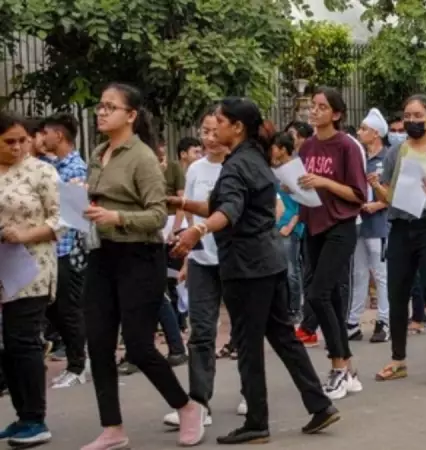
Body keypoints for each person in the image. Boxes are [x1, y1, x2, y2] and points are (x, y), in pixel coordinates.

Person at [170, 97, 339, 444]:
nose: (212, 128)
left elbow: (228, 211)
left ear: (237, 127)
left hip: (247, 267)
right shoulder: (255, 158)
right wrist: (183, 204)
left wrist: (197, 230)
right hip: (268, 261)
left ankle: (257, 422)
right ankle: (320, 405)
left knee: (248, 344)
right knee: (283, 337)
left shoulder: (237, 165)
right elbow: (224, 206)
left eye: (219, 121)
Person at [80, 83, 206, 449]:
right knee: (99, 343)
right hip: (101, 254)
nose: (102, 112)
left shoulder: (143, 158)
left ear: (131, 115)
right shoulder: (99, 152)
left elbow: (157, 215)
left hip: (140, 256)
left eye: (111, 107)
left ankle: (186, 407)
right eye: (100, 106)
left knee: (138, 346)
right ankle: (112, 428)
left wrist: (117, 216)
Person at [371, 94, 426, 386]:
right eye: (407, 116)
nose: (412, 121)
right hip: (400, 228)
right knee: (397, 295)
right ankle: (398, 360)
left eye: (418, 116)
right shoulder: (396, 153)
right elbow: (389, 196)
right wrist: (377, 187)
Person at [162, 108, 239, 429]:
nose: (209, 138)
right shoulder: (195, 169)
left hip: (237, 262)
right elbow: (192, 214)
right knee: (202, 333)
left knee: (245, 331)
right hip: (203, 263)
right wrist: (188, 258)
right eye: (204, 132)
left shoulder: (239, 166)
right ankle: (199, 402)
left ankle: (251, 393)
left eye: (215, 131)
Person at [296, 87, 368, 400]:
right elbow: (303, 183)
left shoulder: (347, 146)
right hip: (313, 225)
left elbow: (358, 194)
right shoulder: (308, 146)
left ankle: (338, 366)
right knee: (332, 296)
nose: (314, 111)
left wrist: (324, 181)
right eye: (313, 106)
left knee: (318, 293)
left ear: (336, 114)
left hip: (341, 225)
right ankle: (348, 368)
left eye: (322, 107)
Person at [0, 111, 61, 447]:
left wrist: (24, 234)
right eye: (9, 141)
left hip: (32, 267)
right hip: (2, 267)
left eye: (22, 140)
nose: (17, 147)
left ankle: (36, 419)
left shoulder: (42, 171)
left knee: (24, 340)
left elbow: (62, 219)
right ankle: (23, 415)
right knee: (8, 344)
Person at [37, 112, 90, 389]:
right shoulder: (50, 165)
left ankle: (78, 365)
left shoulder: (75, 169)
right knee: (54, 310)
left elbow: (73, 217)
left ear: (59, 135)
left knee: (68, 310)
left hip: (68, 250)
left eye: (45, 133)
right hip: (52, 250)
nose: (41, 138)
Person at [349, 108, 391, 343]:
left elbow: (395, 191)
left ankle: (384, 320)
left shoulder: (388, 158)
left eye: (364, 129)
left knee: (381, 273)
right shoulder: (360, 157)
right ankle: (353, 321)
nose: (359, 132)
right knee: (359, 272)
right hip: (359, 222)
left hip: (379, 224)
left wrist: (379, 204)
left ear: (376, 133)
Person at [269, 132, 305, 322]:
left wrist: (291, 225)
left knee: (292, 270)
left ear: (283, 149)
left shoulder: (296, 169)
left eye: (274, 147)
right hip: (274, 226)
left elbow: (304, 201)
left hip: (290, 228)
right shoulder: (273, 171)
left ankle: (295, 309)